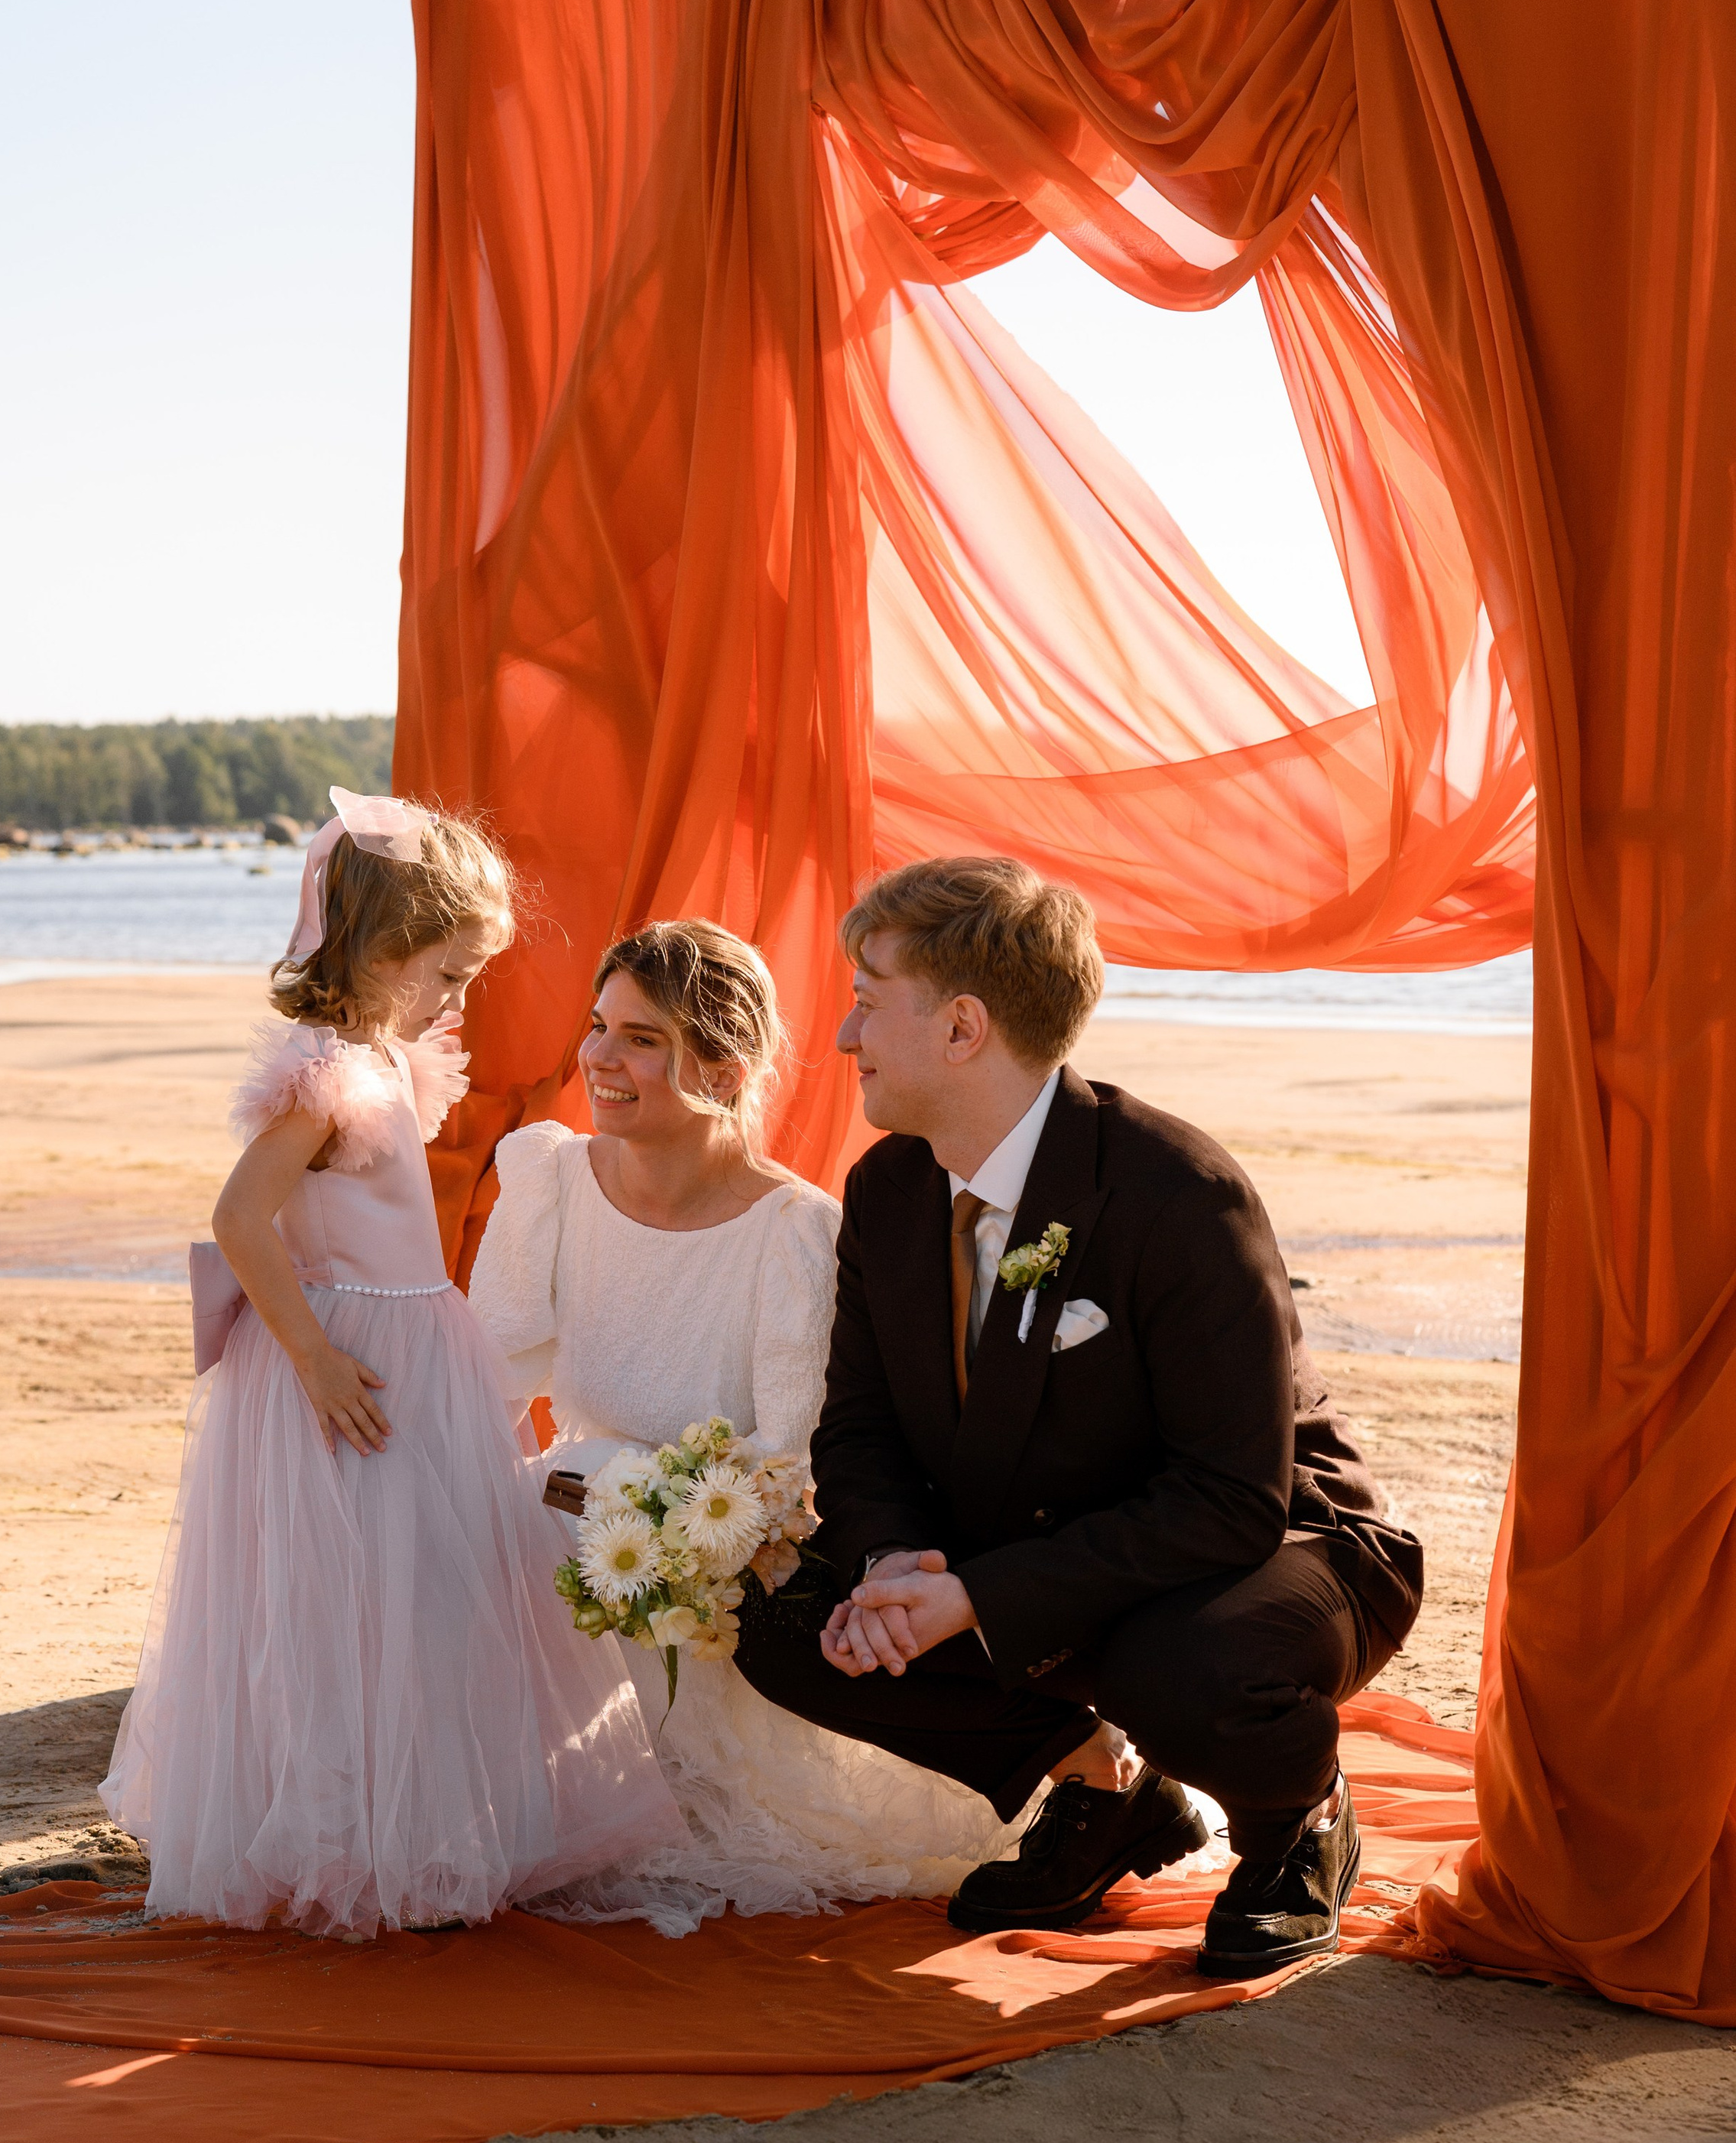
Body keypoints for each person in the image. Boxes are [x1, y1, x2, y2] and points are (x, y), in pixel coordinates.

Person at [732, 856, 1424, 1976]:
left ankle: (1297, 1818)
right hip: (1044, 1539)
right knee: (786, 1624)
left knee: (1174, 1667)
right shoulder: (888, 1191)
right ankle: (1105, 1789)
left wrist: (975, 1597)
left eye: (866, 998)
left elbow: (1231, 1497)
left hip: (1280, 1550)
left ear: (963, 1028)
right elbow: (858, 1427)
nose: (847, 1036)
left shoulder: (1176, 1192)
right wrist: (895, 1565)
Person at [100, 788, 683, 1934]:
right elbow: (238, 1219)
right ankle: (351, 1841)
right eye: (450, 973)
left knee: (422, 1594)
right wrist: (313, 1356)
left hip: (414, 1345)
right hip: (353, 1365)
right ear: (381, 951)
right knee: (352, 1600)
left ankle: (420, 1824)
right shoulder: (327, 1075)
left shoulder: (380, 1058)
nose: (459, 998)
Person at [467, 917, 1069, 1931]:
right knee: (511, 1513)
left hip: (712, 1562)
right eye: (599, 1026)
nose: (601, 1060)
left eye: (643, 1039)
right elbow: (482, 1378)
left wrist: (667, 1522)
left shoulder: (795, 1234)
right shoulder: (550, 1182)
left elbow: (789, 1464)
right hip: (571, 1525)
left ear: (724, 1065)